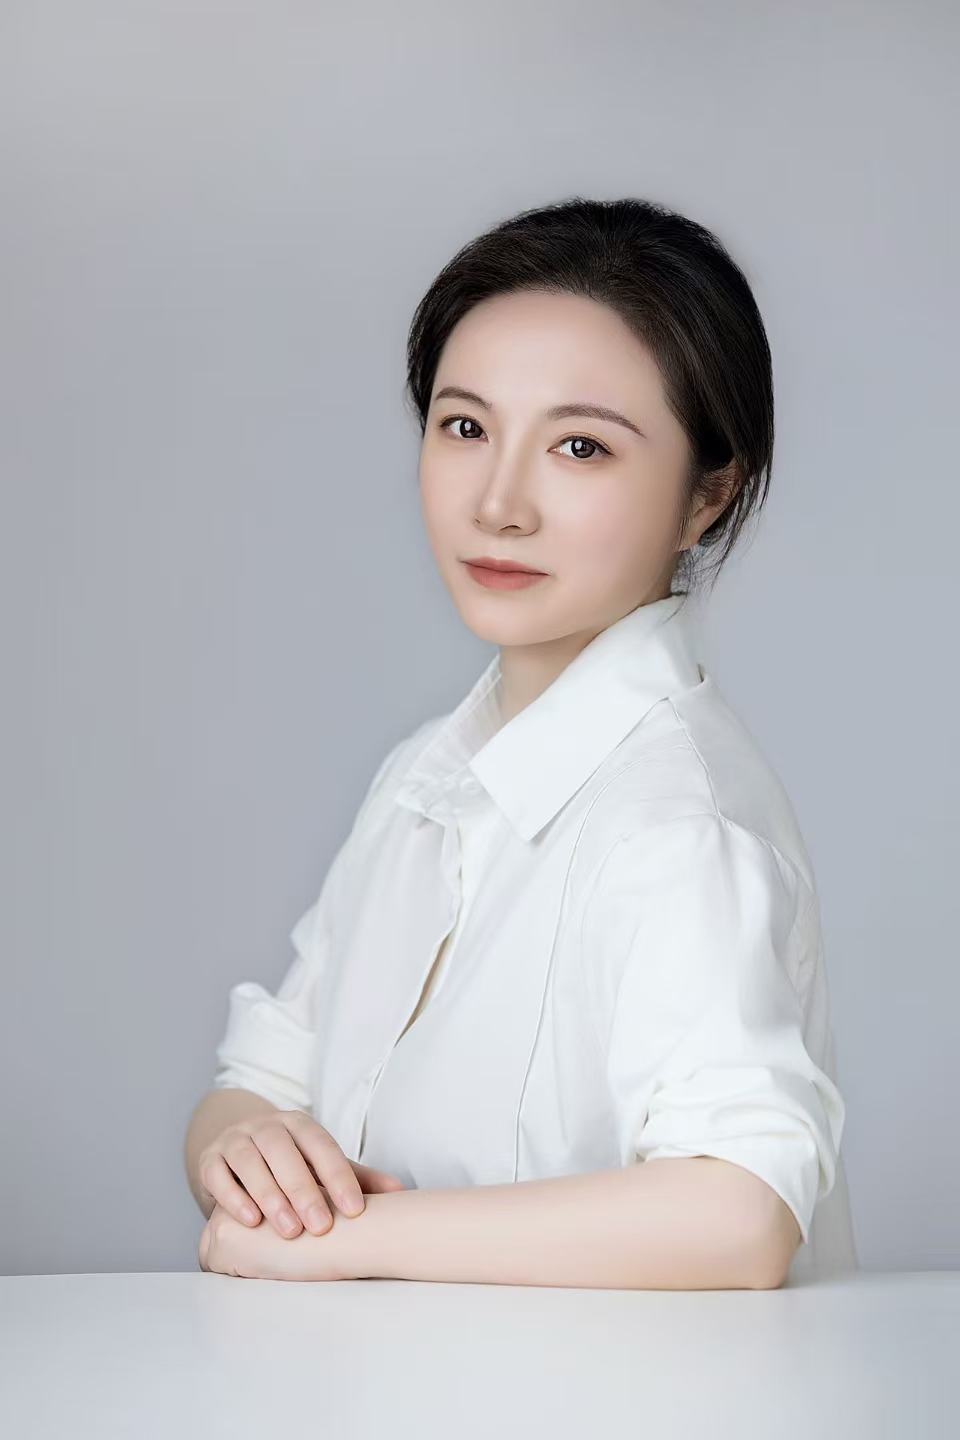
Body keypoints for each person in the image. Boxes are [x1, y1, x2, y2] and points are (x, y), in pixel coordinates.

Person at [185, 196, 857, 1289]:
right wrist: (247, 1153)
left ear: (707, 495)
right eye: (465, 428)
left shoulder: (677, 822)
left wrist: (342, 1241)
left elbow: (742, 1212)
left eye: (580, 447)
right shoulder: (424, 778)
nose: (499, 503)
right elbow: (263, 1078)